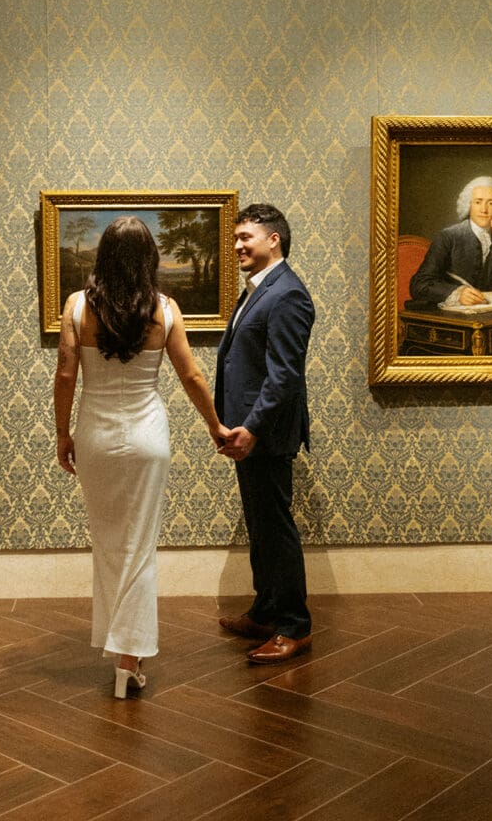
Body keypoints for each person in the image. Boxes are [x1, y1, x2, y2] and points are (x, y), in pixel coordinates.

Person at [54, 216, 228, 698]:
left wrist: (61, 435)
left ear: (103, 257)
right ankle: (128, 659)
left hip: (96, 438)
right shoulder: (165, 310)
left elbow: (66, 375)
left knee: (109, 543)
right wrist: (215, 425)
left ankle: (121, 650)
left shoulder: (76, 307)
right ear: (150, 257)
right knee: (139, 547)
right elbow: (192, 377)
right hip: (149, 439)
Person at [215, 203, 315, 664]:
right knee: (260, 525)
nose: (237, 245)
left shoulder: (288, 294)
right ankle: (265, 610)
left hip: (267, 436)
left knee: (275, 528)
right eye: (236, 238)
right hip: (248, 433)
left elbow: (284, 377)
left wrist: (252, 429)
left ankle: (294, 626)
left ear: (274, 239)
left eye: (245, 237)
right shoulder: (259, 290)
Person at [409, 176, 492, 307]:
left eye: (491, 203)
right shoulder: (449, 236)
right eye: (478, 202)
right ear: (468, 205)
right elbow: (419, 284)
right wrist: (457, 294)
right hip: (454, 315)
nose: (484, 210)